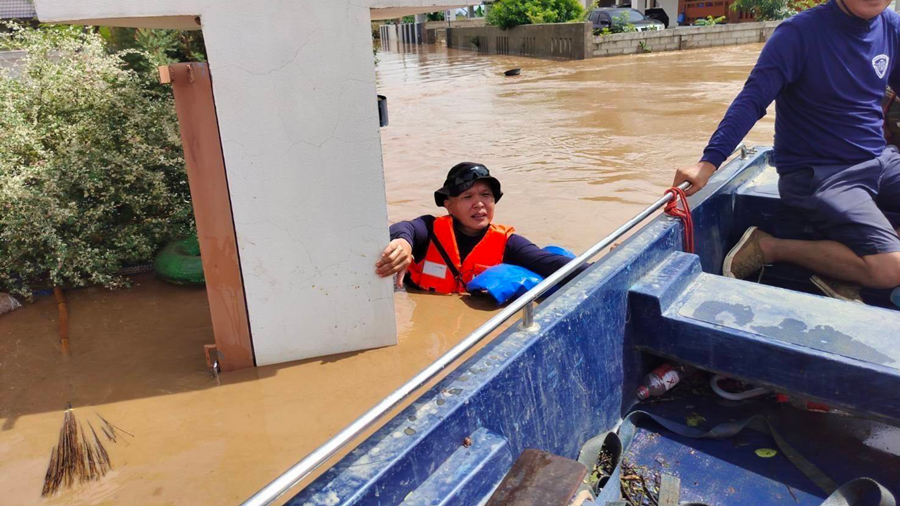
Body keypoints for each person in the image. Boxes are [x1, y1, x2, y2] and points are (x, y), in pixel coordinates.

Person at [673, 0, 900, 302]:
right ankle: (769, 247)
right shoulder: (799, 33)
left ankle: (845, 263)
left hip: (878, 160)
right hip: (822, 174)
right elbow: (752, 99)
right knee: (891, 270)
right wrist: (708, 162)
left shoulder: (891, 26)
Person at [375, 162, 587, 294]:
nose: (479, 203)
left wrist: (608, 265)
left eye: (486, 195)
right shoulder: (429, 230)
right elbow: (406, 228)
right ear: (449, 205)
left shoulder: (508, 243)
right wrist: (402, 242)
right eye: (467, 196)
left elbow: (549, 263)